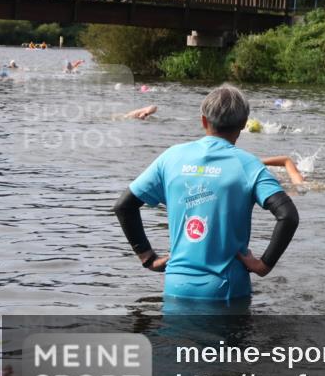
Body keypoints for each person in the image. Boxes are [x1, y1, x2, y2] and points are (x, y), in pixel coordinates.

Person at [112, 85, 299, 303]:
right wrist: (264, 264)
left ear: (203, 121)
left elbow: (124, 206)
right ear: (243, 124)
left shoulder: (171, 157)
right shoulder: (249, 165)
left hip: (176, 287)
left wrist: (147, 257)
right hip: (227, 291)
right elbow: (288, 215)